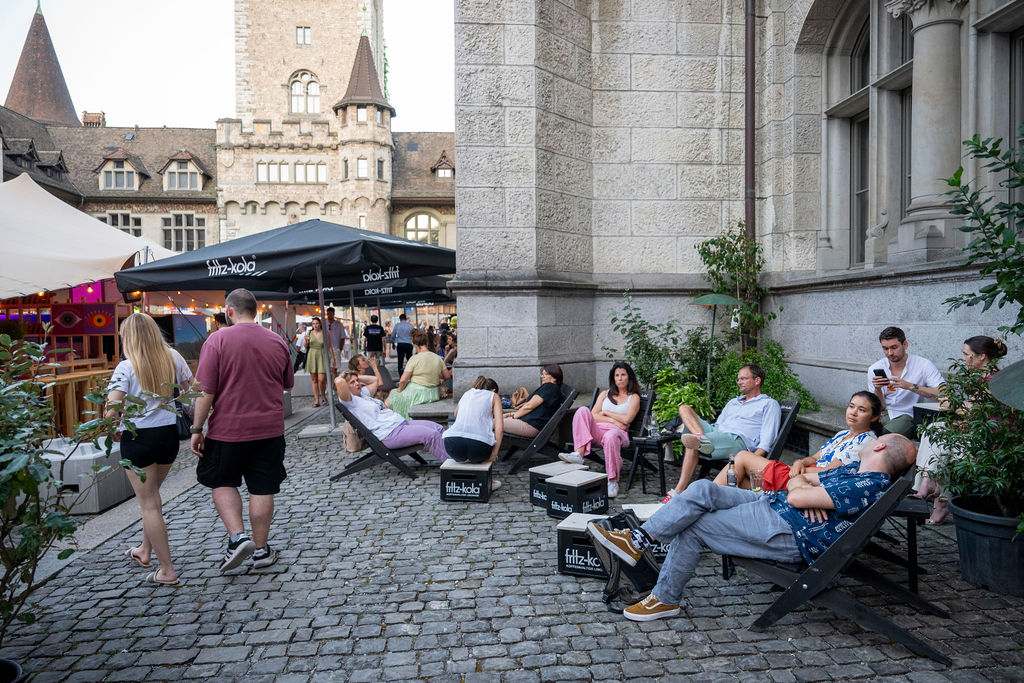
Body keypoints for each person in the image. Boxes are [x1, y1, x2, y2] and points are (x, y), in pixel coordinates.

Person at [587, 434, 916, 621]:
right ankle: (639, 539)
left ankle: (665, 598)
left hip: (786, 529)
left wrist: (803, 492)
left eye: (879, 437)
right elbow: (797, 479)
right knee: (702, 489)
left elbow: (800, 496)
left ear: (880, 447)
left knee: (693, 526)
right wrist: (803, 489)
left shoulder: (869, 484)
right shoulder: (856, 469)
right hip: (773, 507)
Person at [190, 288, 294, 573]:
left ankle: (237, 538)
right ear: (256, 311)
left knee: (222, 481)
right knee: (262, 487)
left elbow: (205, 391)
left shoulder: (217, 340)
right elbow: (288, 383)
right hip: (270, 429)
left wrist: (197, 428)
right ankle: (261, 550)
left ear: (229, 311)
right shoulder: (277, 342)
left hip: (228, 430)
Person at [105, 313, 193, 585]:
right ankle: (144, 551)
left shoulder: (125, 367)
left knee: (150, 505)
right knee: (153, 498)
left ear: (128, 337)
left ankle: (167, 571)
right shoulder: (173, 357)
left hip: (138, 438)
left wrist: (112, 429)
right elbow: (191, 393)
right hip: (168, 436)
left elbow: (111, 409)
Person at [913, 335, 1008, 525]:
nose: (963, 358)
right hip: (977, 433)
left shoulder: (993, 380)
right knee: (936, 429)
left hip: (992, 442)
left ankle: (935, 495)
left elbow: (973, 412)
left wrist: (950, 403)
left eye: (966, 354)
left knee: (943, 441)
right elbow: (975, 414)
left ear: (981, 356)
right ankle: (930, 484)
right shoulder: (980, 377)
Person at [714, 391, 882, 490]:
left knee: (743, 457)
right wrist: (800, 462)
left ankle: (707, 497)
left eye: (861, 410)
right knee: (743, 481)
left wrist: (795, 469)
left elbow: (830, 472)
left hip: (808, 482)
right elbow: (815, 458)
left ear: (874, 417)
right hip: (801, 472)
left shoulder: (865, 441)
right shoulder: (843, 434)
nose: (853, 412)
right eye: (851, 406)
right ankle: (713, 503)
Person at [667, 364, 781, 498]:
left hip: (736, 439)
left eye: (743, 379)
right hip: (717, 431)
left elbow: (766, 440)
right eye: (738, 379)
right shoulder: (733, 402)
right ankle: (701, 438)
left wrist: (751, 462)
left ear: (757, 381)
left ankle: (678, 491)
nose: (739, 382)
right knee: (684, 408)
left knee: (692, 443)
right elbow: (719, 424)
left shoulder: (769, 404)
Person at [558, 362, 642, 499]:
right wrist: (613, 420)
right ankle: (579, 455)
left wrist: (606, 412)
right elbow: (593, 415)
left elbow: (627, 420)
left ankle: (612, 481)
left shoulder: (634, 397)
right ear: (613, 378)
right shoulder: (605, 394)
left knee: (610, 436)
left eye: (623, 375)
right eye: (617, 375)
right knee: (582, 411)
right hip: (599, 431)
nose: (620, 378)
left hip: (618, 434)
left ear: (629, 377)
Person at [334, 370, 449, 462]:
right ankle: (451, 463)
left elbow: (374, 380)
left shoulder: (363, 393)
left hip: (401, 424)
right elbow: (339, 382)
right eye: (352, 382)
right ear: (346, 387)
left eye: (357, 380)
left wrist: (354, 375)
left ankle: (456, 454)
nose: (357, 383)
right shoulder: (350, 401)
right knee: (431, 435)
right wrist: (342, 376)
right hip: (389, 433)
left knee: (438, 428)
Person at [868, 326, 943, 438]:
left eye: (894, 347)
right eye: (885, 348)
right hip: (883, 414)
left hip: (907, 415)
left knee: (883, 438)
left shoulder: (923, 365)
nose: (889, 353)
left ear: (905, 345)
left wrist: (910, 386)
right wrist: (877, 389)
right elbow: (881, 406)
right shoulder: (875, 368)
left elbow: (944, 394)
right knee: (862, 434)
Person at [442, 376, 504, 488]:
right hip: (478, 447)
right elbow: (499, 429)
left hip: (452, 443)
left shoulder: (467, 393)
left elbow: (456, 413)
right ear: (494, 390)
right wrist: (494, 454)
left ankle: (462, 480)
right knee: (480, 450)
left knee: (465, 455)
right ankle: (488, 482)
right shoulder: (494, 396)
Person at [386, 328, 451, 418]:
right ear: (427, 343)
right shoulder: (438, 358)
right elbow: (447, 376)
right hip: (433, 393)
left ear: (415, 344)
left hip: (417, 394)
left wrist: (399, 391)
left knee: (390, 398)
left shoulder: (414, 358)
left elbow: (403, 380)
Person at [502, 364, 564, 439]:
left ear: (554, 377)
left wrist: (513, 416)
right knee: (492, 422)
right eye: (542, 374)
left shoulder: (549, 387)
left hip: (530, 426)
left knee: (491, 423)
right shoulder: (553, 389)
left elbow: (529, 406)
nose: (542, 376)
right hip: (531, 424)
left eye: (546, 374)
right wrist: (511, 413)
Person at [305, 317, 328, 407]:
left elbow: (329, 346)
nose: (315, 325)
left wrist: (332, 358)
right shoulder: (309, 333)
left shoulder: (325, 333)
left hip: (321, 355)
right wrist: (306, 340)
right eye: (313, 324)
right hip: (312, 355)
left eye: (317, 323)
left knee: (321, 380)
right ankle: (317, 400)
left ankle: (323, 396)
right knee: (314, 379)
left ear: (320, 324)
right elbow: (305, 346)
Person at [324, 307, 346, 377]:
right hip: (325, 349)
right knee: (326, 368)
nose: (329, 315)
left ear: (333, 314)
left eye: (330, 314)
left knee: (334, 369)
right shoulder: (324, 323)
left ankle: (333, 385)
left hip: (336, 349)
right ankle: (329, 384)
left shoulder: (339, 324)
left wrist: (340, 348)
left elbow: (343, 337)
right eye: (328, 314)